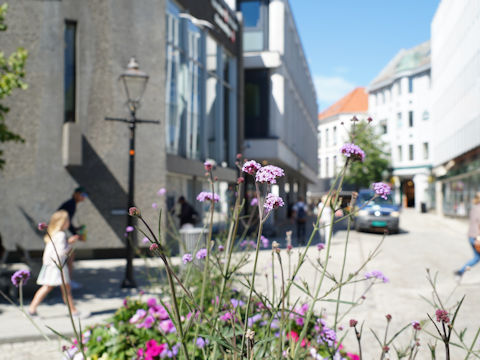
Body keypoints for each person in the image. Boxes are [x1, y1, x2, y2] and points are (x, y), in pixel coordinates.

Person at [28, 210, 88, 318]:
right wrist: (70, 246)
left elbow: (57, 249)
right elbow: (60, 252)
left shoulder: (54, 234)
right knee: (65, 289)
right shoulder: (60, 235)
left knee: (51, 287)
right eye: (67, 220)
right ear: (62, 222)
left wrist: (68, 242)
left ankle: (32, 309)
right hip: (58, 266)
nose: (69, 222)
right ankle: (74, 312)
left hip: (51, 265)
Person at [58, 187, 87, 290]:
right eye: (83, 195)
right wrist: (76, 234)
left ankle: (67, 280)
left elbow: (68, 223)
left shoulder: (71, 204)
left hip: (59, 232)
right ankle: (68, 281)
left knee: (70, 255)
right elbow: (66, 222)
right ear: (76, 194)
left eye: (86, 196)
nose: (84, 198)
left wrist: (75, 230)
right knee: (70, 255)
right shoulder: (71, 204)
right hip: (59, 234)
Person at [454, 192, 480, 278]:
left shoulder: (474, 208)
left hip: (471, 236)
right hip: (477, 237)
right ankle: (460, 272)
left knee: (476, 257)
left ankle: (460, 272)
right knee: (476, 257)